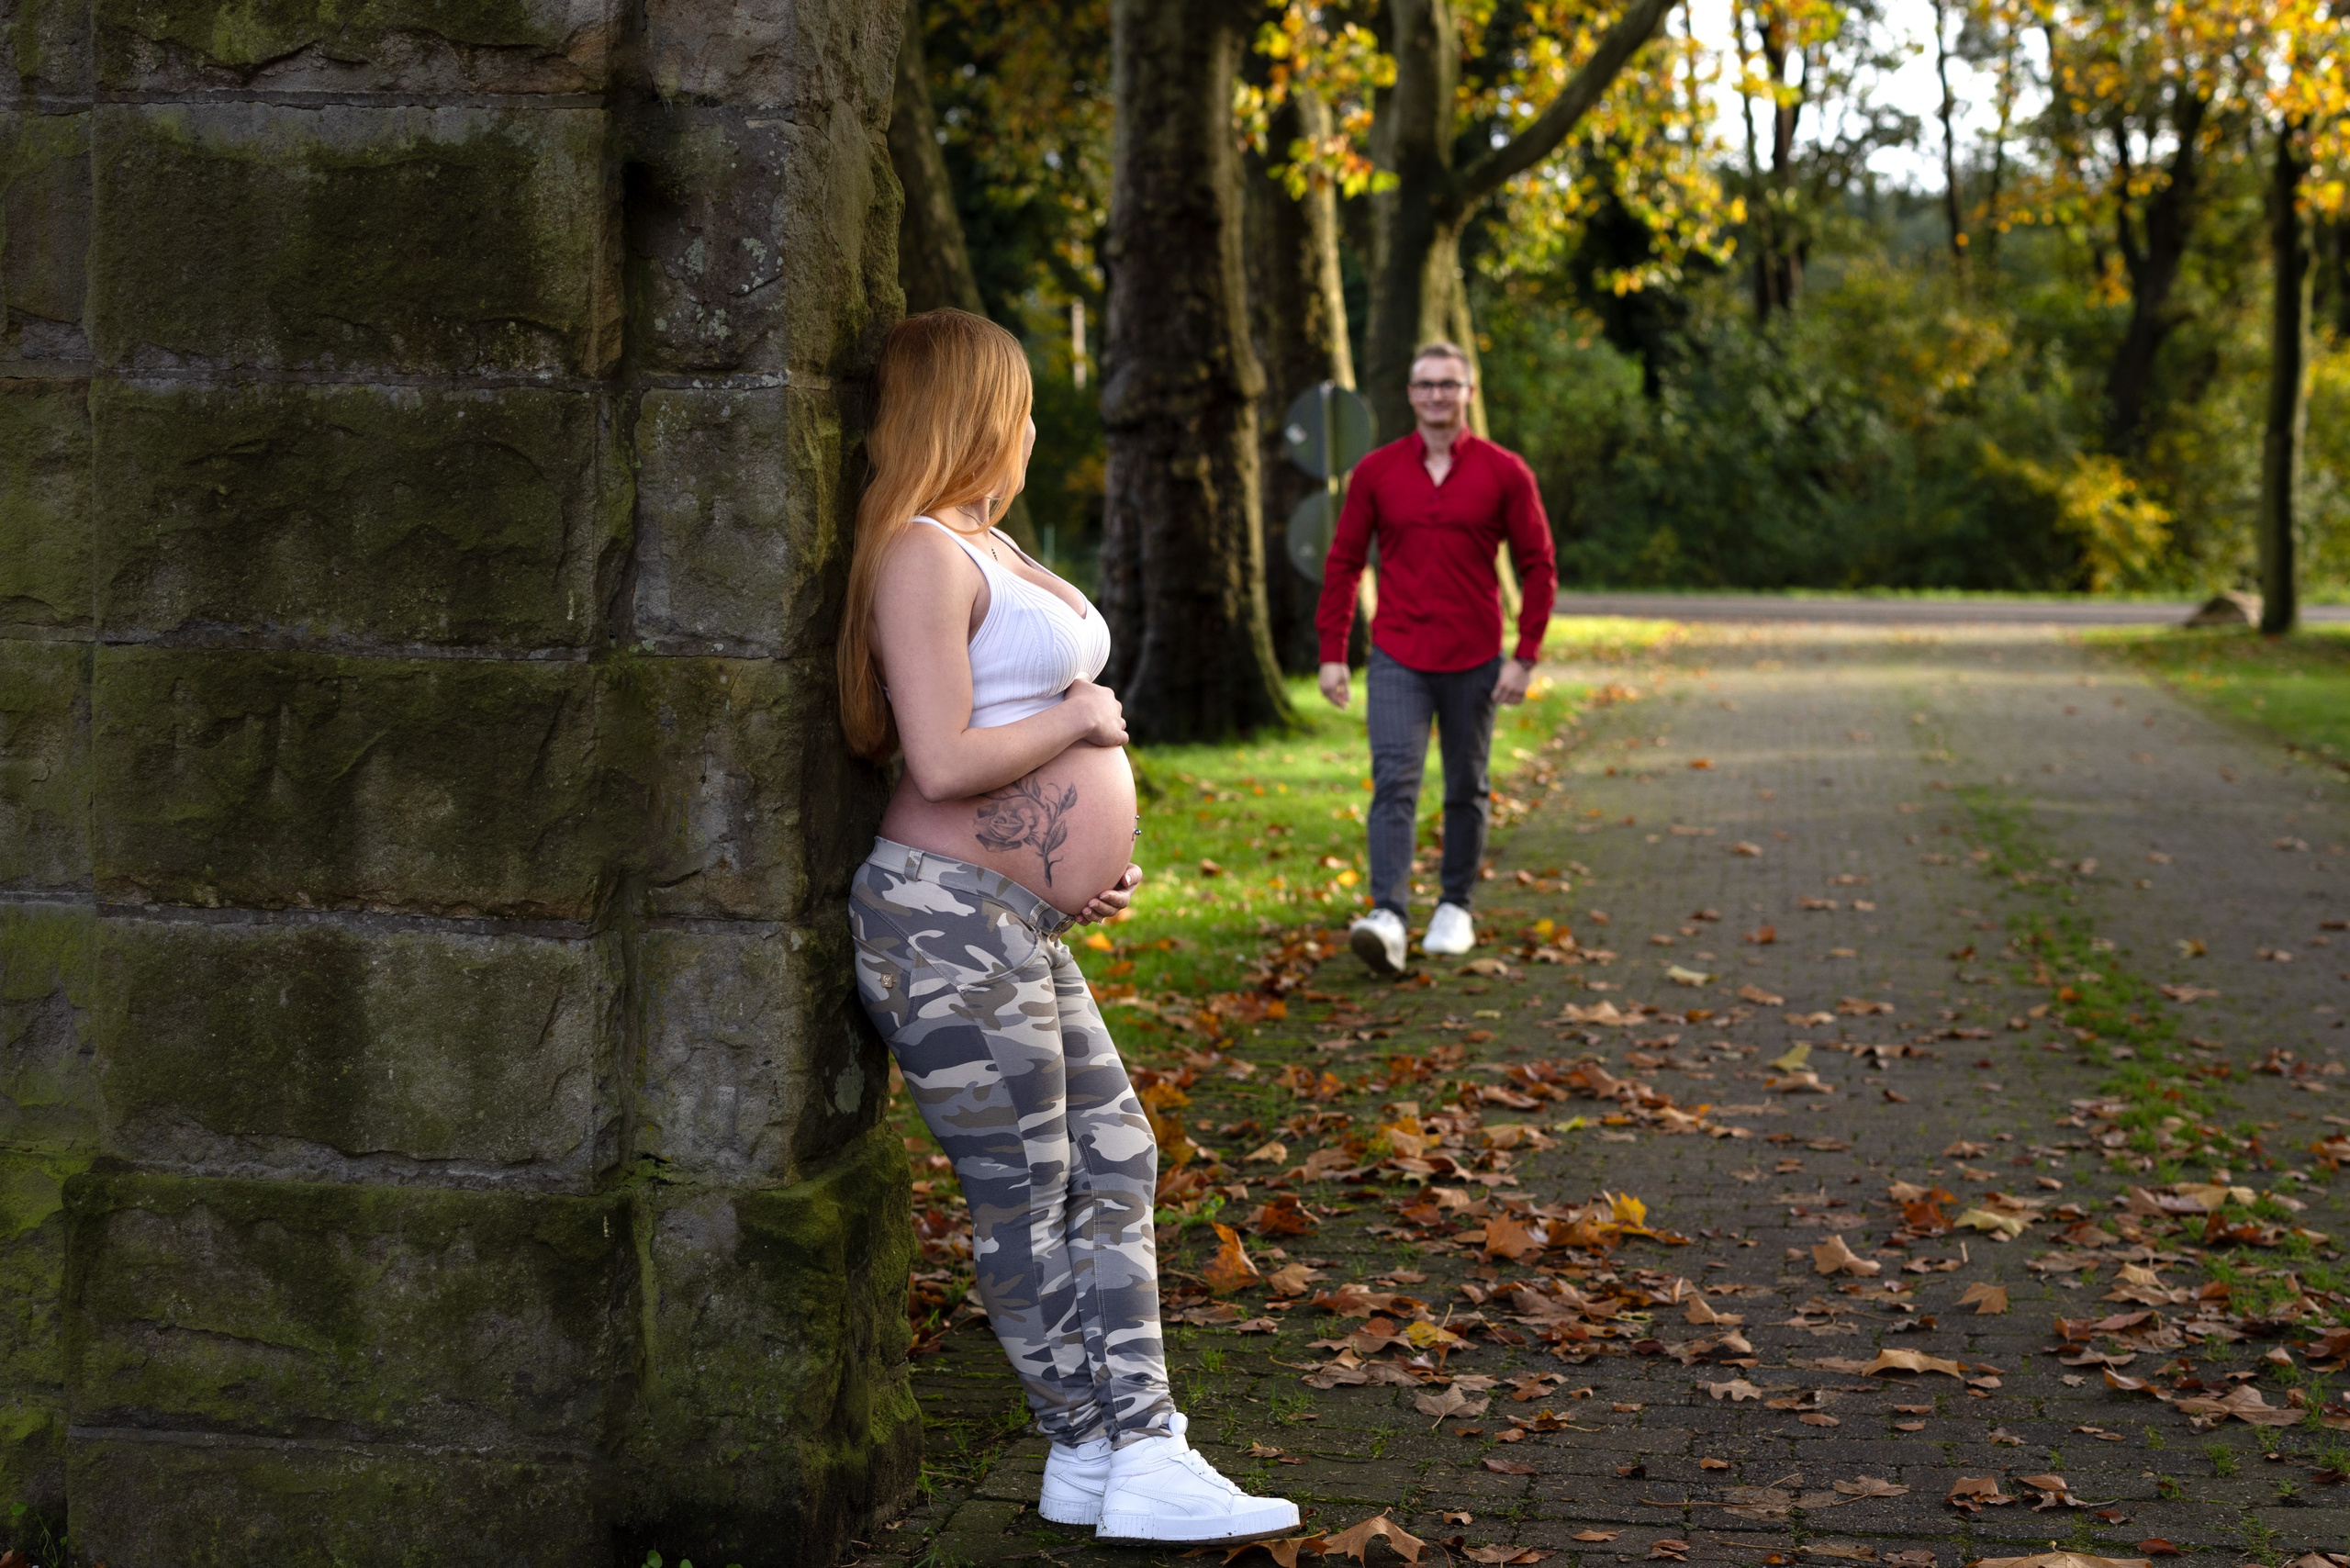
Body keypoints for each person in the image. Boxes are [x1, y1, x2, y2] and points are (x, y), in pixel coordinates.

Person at [838, 309, 1301, 1547]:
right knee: (1029, 1188)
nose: (1039, 426)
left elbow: (1006, 725)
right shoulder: (920, 552)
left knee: (1115, 1157)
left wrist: (1069, 871)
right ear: (979, 409)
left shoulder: (987, 543)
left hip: (1009, 919)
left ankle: (1118, 1453)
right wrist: (1086, 728)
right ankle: (1101, 1440)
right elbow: (941, 759)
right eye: (1025, 403)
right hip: (939, 928)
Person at [1315, 341, 1558, 975]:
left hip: (1477, 656)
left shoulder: (1506, 472)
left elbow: (1539, 566)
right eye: (1425, 385)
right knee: (1395, 780)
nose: (1436, 395)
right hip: (1397, 654)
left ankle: (1456, 907)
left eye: (1449, 385)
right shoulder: (1377, 472)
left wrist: (1525, 656)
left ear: (1468, 393)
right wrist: (1333, 652)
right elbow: (1343, 563)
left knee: (1466, 786)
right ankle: (1389, 915)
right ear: (1411, 394)